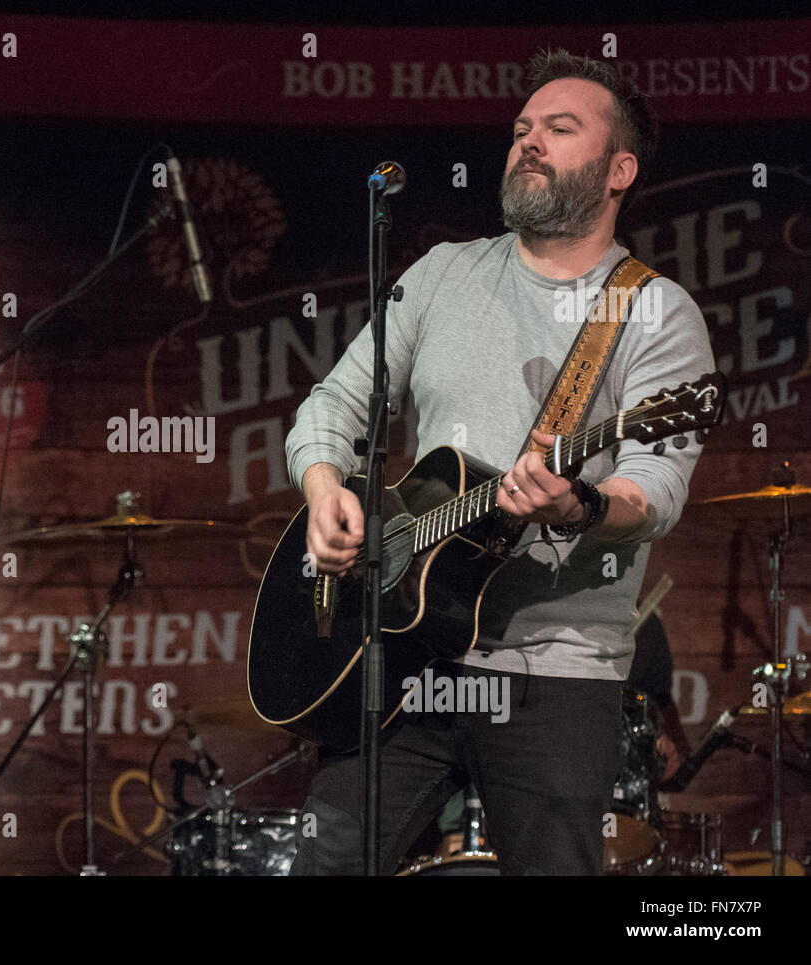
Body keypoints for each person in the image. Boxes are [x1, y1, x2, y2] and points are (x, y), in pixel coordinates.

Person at [284, 50, 715, 875]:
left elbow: (654, 490)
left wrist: (577, 505)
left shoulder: (654, 310)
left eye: (559, 129)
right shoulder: (445, 273)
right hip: (406, 658)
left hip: (555, 672)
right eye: (522, 129)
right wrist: (324, 486)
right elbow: (330, 405)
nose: (529, 142)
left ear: (619, 168)